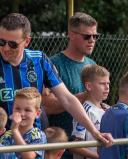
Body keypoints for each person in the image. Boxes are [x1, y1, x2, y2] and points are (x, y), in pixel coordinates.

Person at [0, 13, 112, 144]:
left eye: (13, 44)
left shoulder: (39, 60)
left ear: (27, 41)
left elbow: (67, 99)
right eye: (1, 42)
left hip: (33, 145)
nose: (6, 48)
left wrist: (94, 132)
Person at [44, 12, 99, 159]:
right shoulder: (53, 64)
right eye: (87, 36)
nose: (92, 41)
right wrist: (83, 96)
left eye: (96, 36)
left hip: (89, 150)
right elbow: (46, 106)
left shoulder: (92, 64)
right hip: (62, 152)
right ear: (72, 35)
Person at [0, 88, 47, 159]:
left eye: (27, 110)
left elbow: (28, 156)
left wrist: (15, 130)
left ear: (37, 113)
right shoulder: (6, 137)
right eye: (17, 109)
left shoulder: (38, 135)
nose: (21, 114)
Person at [70, 65, 110, 159]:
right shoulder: (84, 111)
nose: (107, 87)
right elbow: (74, 146)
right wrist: (100, 157)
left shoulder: (107, 109)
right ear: (89, 86)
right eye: (102, 84)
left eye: (108, 83)